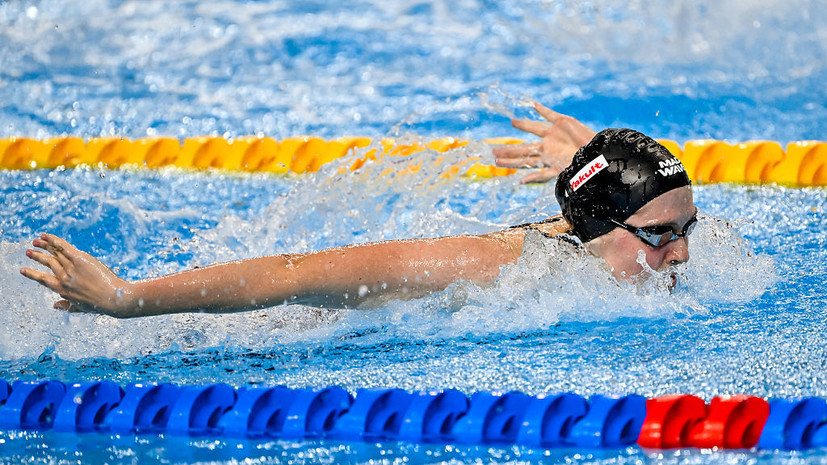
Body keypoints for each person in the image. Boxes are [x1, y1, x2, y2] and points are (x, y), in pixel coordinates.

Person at [19, 103, 697, 318]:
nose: (684, 253)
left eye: (685, 228)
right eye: (661, 234)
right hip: (266, 337)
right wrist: (126, 297)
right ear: (595, 225)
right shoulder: (490, 268)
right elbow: (296, 271)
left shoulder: (611, 243)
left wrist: (586, 154)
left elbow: (629, 208)